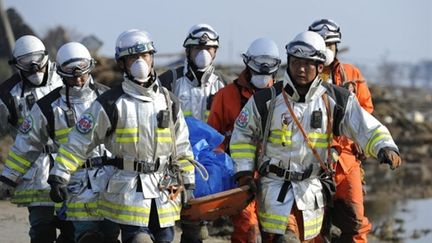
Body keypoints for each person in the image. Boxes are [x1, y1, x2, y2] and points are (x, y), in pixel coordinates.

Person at [229, 31, 402, 243]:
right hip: (274, 189)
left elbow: (364, 126)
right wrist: (244, 172)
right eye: (296, 62)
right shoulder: (266, 100)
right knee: (286, 239)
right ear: (288, 62)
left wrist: (384, 146)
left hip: (311, 192)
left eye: (308, 64)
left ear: (320, 67)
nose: (301, 69)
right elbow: (242, 135)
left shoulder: (335, 100)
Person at [47, 29, 195, 243]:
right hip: (129, 191)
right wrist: (59, 175)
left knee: (164, 239)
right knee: (139, 240)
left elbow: (182, 146)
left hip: (164, 190)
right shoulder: (110, 103)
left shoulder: (169, 101)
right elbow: (79, 141)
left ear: (152, 57)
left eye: (144, 55)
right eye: (133, 57)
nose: (140, 62)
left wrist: (188, 183)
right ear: (122, 63)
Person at [207, 37, 281, 243]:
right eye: (258, 66)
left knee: (277, 231)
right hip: (241, 175)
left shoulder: (283, 98)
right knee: (247, 228)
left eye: (268, 68)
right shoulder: (226, 96)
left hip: (276, 176)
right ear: (248, 64)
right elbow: (214, 139)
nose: (262, 72)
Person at [308, 18, 373, 242]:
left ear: (336, 47)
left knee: (355, 222)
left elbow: (366, 113)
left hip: (346, 159)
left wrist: (361, 142)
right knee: (313, 224)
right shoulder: (303, 75)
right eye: (321, 44)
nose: (326, 50)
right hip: (312, 158)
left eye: (330, 45)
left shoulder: (351, 74)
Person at [0, 35, 64, 243]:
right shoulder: (8, 94)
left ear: (46, 57)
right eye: (26, 63)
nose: (34, 68)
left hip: (71, 166)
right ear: (17, 65)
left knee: (75, 228)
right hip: (34, 171)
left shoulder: (67, 77)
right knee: (42, 231)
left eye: (37, 60)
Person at [159, 23, 225, 122]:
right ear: (187, 51)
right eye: (197, 48)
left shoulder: (224, 84)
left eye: (208, 48)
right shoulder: (169, 80)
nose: (203, 53)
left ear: (215, 52)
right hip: (181, 138)